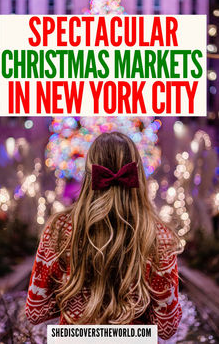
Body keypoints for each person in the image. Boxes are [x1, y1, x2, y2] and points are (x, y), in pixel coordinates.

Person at [25, 132, 182, 340]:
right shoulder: (158, 236)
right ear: (137, 173)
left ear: (89, 173)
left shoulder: (59, 229)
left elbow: (36, 311)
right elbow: (167, 327)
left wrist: (74, 298)